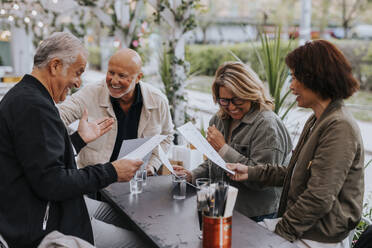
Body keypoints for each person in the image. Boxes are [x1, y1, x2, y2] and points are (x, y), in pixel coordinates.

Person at [0, 32, 147, 248]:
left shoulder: (27, 97)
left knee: (126, 220)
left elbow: (37, 158)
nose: (78, 82)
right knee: (140, 242)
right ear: (55, 66)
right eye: (77, 73)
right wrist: (112, 172)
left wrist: (78, 140)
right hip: (44, 227)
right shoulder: (34, 107)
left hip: (55, 208)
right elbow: (52, 183)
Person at [227, 40, 364, 248]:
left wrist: (280, 233)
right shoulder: (318, 119)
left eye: (295, 78)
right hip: (303, 229)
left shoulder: (339, 126)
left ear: (315, 78)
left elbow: (319, 196)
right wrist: (251, 172)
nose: (291, 86)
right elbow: (295, 173)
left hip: (318, 237)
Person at [175, 61, 292, 221]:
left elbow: (263, 180)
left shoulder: (267, 125)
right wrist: (191, 175)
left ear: (251, 93)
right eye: (224, 100)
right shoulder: (218, 119)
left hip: (251, 214)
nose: (231, 107)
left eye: (237, 100)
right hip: (215, 201)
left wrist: (223, 148)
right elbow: (214, 163)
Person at [58, 48, 174, 176]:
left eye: (122, 76)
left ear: (138, 77)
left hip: (137, 181)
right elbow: (56, 118)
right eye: (111, 73)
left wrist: (152, 165)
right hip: (97, 184)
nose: (113, 81)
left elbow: (166, 136)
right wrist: (75, 140)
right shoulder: (89, 94)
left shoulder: (157, 100)